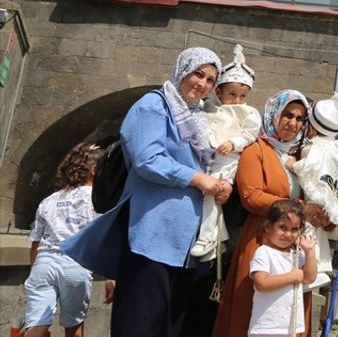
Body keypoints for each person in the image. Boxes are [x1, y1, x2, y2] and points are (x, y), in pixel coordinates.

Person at [62, 47, 233, 337]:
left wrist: (220, 184)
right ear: (182, 71)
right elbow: (147, 159)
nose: (202, 84)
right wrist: (197, 179)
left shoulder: (199, 117)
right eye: (198, 74)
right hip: (152, 231)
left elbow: (210, 165)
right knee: (140, 322)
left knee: (171, 326)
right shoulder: (154, 105)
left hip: (186, 241)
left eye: (210, 80)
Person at [211, 89, 322, 337]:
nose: (293, 123)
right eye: (287, 115)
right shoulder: (256, 149)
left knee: (290, 308)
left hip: (294, 243)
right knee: (253, 309)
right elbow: (251, 196)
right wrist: (301, 208)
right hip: (262, 236)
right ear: (274, 114)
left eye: (300, 118)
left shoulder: (300, 156)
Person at [22, 143, 107, 337]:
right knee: (74, 328)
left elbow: (36, 243)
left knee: (36, 325)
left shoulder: (49, 200)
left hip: (44, 263)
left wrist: (35, 269)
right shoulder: (97, 199)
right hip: (75, 264)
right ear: (94, 170)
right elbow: (104, 238)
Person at [192, 44, 262, 262]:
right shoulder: (207, 108)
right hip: (207, 159)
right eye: (232, 94)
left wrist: (234, 143)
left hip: (228, 161)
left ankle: (207, 237)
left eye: (243, 95)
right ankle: (216, 237)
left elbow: (250, 134)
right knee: (203, 195)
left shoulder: (248, 112)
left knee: (212, 193)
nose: (238, 100)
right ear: (219, 91)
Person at [286, 91, 338, 290]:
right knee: (316, 235)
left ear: (311, 128)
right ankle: (319, 268)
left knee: (309, 232)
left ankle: (313, 269)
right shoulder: (335, 149)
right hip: (327, 195)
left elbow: (307, 166)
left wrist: (291, 164)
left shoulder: (313, 148)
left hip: (314, 194)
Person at [248, 199, 317, 337]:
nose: (288, 234)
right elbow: (261, 283)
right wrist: (291, 277)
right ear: (269, 227)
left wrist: (309, 252)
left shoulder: (296, 254)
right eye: (282, 227)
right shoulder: (264, 252)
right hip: (267, 327)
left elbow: (309, 277)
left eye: (294, 229)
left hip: (290, 326)